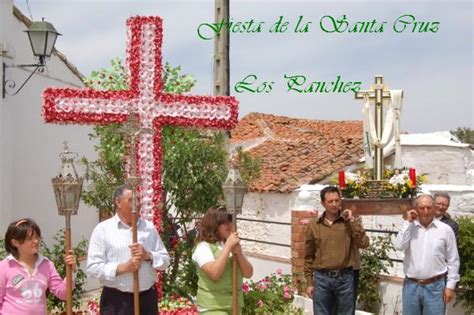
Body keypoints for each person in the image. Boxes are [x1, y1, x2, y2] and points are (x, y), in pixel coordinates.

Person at [87, 184, 170, 314]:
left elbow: (165, 261)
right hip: (117, 301)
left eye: (138, 199)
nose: (137, 204)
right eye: (131, 200)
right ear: (118, 202)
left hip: (147, 300)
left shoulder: (148, 228)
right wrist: (123, 268)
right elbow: (93, 268)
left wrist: (148, 255)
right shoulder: (103, 230)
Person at [304, 186, 370, 315]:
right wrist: (309, 282)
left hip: (345, 278)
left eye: (337, 200)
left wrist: (352, 221)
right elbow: (309, 255)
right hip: (321, 279)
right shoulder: (313, 225)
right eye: (330, 201)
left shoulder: (348, 222)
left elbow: (364, 243)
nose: (334, 204)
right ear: (323, 203)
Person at [395, 194, 460, 315]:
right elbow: (399, 246)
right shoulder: (409, 228)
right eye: (422, 207)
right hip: (411, 286)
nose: (426, 211)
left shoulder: (445, 230)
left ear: (434, 208)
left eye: (429, 208)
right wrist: (408, 222)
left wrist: (450, 286)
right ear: (416, 209)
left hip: (435, 288)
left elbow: (453, 260)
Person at [0, 218, 76, 314]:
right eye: (29, 239)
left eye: (37, 237)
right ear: (15, 242)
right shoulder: (4, 267)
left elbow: (64, 294)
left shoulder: (46, 265)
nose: (35, 241)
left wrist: (72, 271)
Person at [192, 206, 253, 314]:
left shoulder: (232, 246)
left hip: (234, 306)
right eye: (226, 222)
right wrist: (228, 247)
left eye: (231, 221)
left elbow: (248, 273)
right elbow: (214, 273)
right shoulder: (203, 247)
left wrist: (239, 253)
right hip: (213, 308)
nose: (230, 225)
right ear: (214, 225)